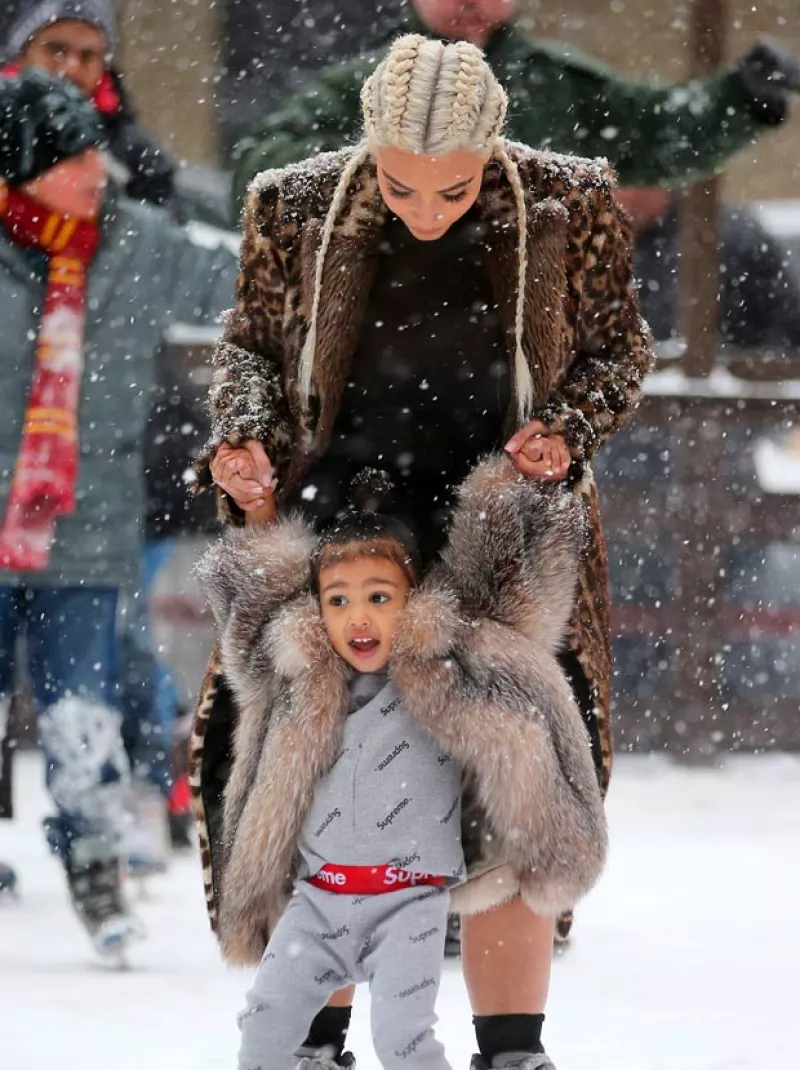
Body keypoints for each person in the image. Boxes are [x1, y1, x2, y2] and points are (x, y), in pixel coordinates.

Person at [192, 33, 653, 1070]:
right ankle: (314, 1041)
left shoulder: (564, 200)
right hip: (341, 524)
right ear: (367, 145)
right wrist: (246, 440)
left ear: (492, 149)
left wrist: (566, 430)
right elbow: (251, 352)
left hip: (506, 523)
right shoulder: (295, 203)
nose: (425, 211)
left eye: (451, 191)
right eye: (401, 188)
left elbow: (620, 346)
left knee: (513, 770)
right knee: (317, 771)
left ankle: (511, 1048)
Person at [196, 456, 605, 1070]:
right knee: (262, 1027)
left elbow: (513, 616)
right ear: (316, 609)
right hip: (319, 901)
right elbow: (256, 610)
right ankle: (315, 1052)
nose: (358, 617)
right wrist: (257, 508)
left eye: (380, 598)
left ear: (413, 601)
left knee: (405, 1039)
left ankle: (512, 1048)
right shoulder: (296, 670)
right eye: (337, 600)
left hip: (407, 905)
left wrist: (532, 482)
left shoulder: (452, 668)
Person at [0, 69, 237, 957]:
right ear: (21, 171)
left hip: (88, 527)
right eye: (72, 159)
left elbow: (245, 280)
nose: (96, 172)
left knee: (83, 714)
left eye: (95, 152)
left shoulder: (134, 242)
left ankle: (98, 879)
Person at [230, 0, 800, 211]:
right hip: (384, 325)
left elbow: (655, 131)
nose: (473, 2)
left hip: (526, 325)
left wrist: (737, 96)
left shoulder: (557, 84)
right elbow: (261, 171)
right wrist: (388, 169)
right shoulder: (363, 84)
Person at [2, 0, 175, 207]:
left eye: (87, 56)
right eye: (56, 50)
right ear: (21, 53)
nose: (71, 67)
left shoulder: (138, 159)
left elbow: (163, 232)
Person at [617, 185, 800, 352]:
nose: (619, 196)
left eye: (625, 183)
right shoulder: (600, 242)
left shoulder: (731, 238)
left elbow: (786, 333)